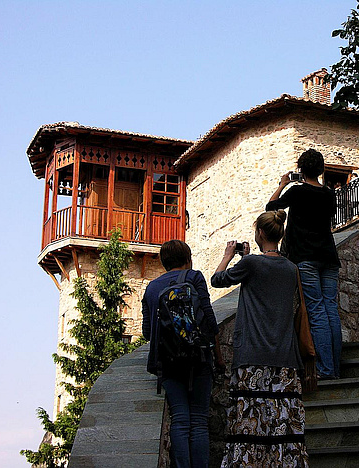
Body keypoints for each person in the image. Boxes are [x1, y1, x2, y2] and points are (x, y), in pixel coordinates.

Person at [211, 210, 308, 467]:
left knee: (249, 425)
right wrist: (247, 258)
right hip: (286, 359)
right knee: (282, 424)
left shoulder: (251, 264)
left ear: (260, 233)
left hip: (252, 357)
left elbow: (217, 279)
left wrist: (228, 256)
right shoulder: (291, 268)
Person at [142, 240, 223, 468]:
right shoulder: (194, 277)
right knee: (198, 421)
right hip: (199, 357)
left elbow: (148, 333)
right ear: (187, 258)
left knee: (180, 419)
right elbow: (208, 317)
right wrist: (218, 355)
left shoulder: (151, 288)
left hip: (167, 362)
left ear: (164, 262)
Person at [267, 148, 343, 380]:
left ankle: (326, 369)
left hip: (306, 257)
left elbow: (270, 207)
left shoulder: (296, 192)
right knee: (331, 309)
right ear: (321, 169)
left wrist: (282, 184)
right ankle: (335, 367)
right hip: (328, 256)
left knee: (317, 311)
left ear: (301, 169)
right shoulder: (330, 194)